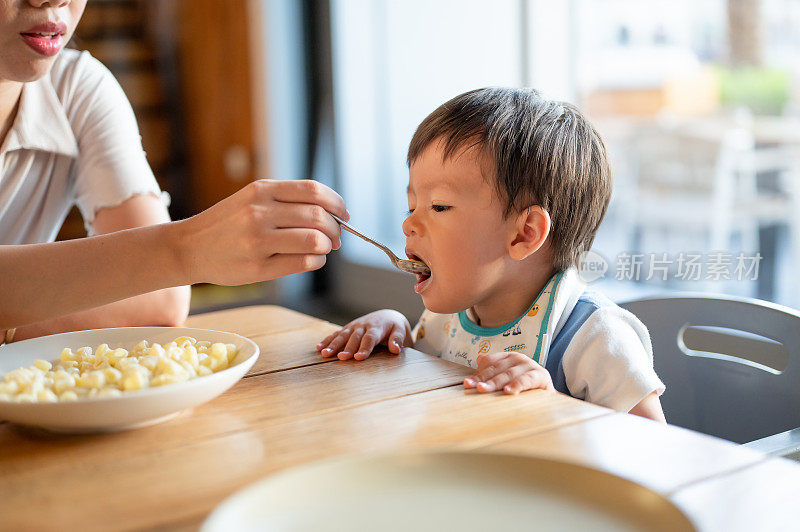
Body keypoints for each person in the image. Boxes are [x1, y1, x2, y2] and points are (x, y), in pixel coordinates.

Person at [0, 0, 348, 343]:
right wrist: (186, 248)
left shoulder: (75, 87)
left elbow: (161, 298)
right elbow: (159, 281)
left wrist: (9, 316)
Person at [316, 87, 666, 422]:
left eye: (438, 206)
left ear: (524, 234)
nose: (409, 223)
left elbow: (654, 449)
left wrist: (556, 407)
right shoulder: (448, 320)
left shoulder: (594, 338)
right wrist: (397, 335)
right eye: (411, 205)